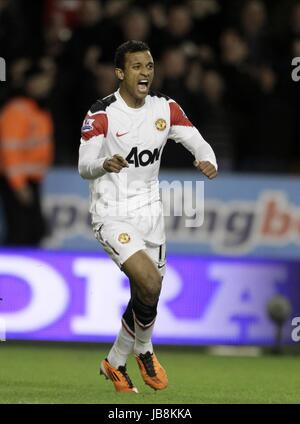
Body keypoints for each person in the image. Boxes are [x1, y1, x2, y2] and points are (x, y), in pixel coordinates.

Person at [78, 40, 217, 393]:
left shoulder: (165, 108)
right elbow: (84, 166)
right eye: (137, 66)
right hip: (112, 214)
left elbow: (196, 139)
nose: (145, 72)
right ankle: (145, 349)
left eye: (150, 66)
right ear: (121, 73)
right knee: (150, 282)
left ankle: (115, 362)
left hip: (150, 215)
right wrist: (102, 164)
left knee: (146, 293)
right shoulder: (102, 113)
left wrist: (207, 159)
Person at [0, 64, 54, 245]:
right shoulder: (18, 110)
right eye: (42, 80)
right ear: (30, 83)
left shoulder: (37, 109)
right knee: (21, 232)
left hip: (31, 179)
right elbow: (10, 150)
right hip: (16, 179)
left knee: (34, 230)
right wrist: (19, 185)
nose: (46, 85)